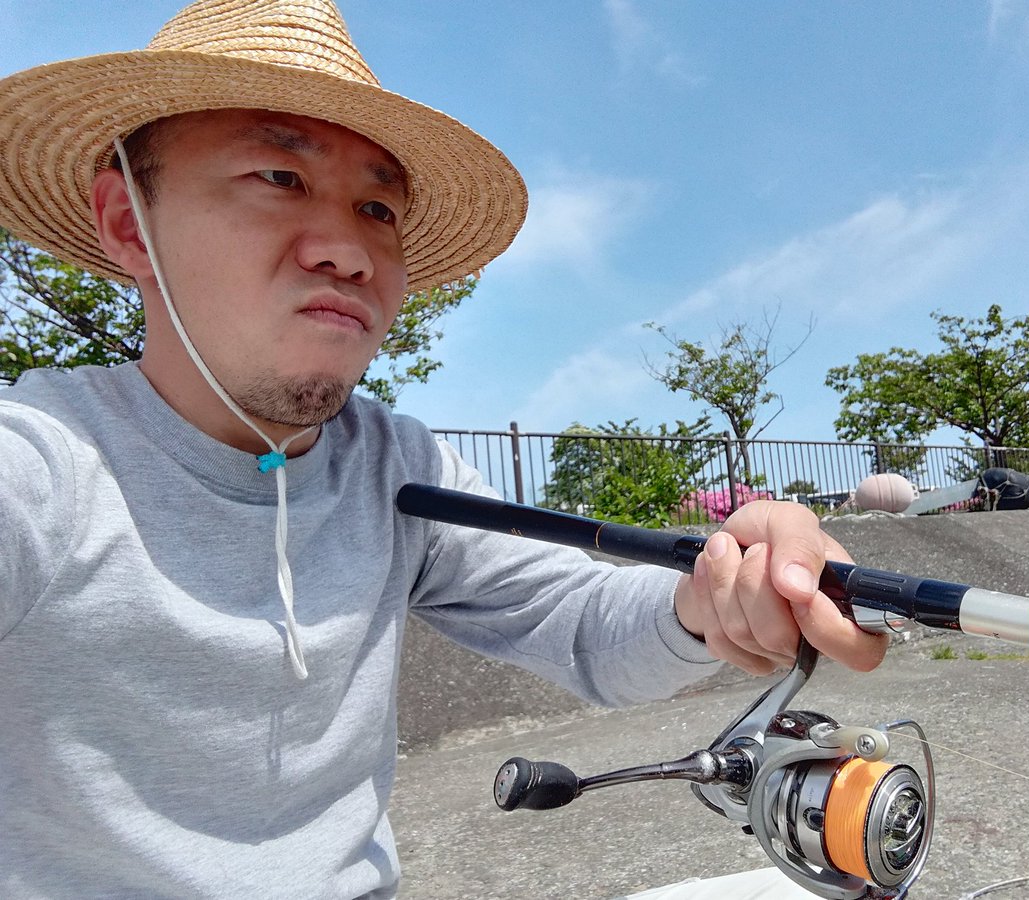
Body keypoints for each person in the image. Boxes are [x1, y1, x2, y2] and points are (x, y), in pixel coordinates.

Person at [0, 1, 886, 897]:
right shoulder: (43, 465)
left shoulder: (394, 466)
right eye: (278, 175)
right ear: (128, 222)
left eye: (377, 206)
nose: (349, 250)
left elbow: (581, 623)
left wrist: (717, 588)